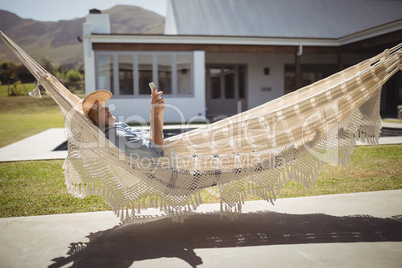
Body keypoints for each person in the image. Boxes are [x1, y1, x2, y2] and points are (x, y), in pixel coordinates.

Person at [81, 85, 165, 158]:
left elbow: (156, 137)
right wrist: (154, 114)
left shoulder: (118, 126)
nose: (107, 108)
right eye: (101, 109)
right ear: (95, 121)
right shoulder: (114, 135)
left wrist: (159, 113)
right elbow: (156, 150)